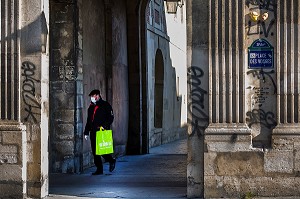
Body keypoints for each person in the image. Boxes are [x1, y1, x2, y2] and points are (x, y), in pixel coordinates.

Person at [84, 89, 116, 175]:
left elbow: (110, 118)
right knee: (95, 152)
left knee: (102, 150)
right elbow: (89, 120)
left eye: (95, 96)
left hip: (102, 130)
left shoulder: (105, 105)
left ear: (98, 96)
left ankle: (111, 160)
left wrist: (104, 126)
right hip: (93, 131)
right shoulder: (90, 108)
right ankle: (99, 169)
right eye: (92, 96)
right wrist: (86, 132)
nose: (93, 97)